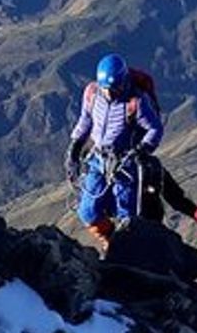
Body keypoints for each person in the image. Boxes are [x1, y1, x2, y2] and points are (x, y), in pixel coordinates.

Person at [65, 52, 163, 250]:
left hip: (125, 163)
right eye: (106, 88)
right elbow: (85, 120)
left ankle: (125, 253)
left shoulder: (136, 102)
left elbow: (155, 128)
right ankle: (109, 240)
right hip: (98, 158)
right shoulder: (92, 93)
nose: (109, 93)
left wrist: (143, 149)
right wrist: (74, 146)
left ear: (123, 81)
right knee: (87, 211)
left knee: (126, 214)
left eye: (114, 88)